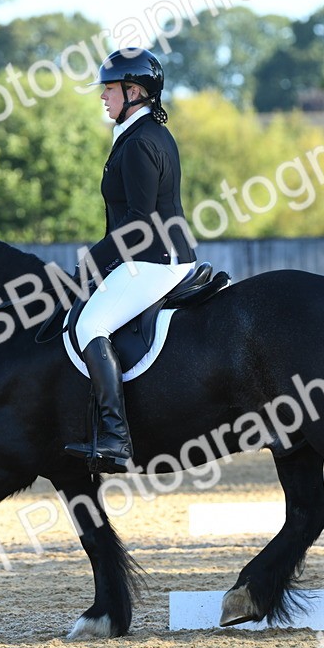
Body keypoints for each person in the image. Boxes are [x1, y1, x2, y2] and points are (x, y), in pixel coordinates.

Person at [63, 48, 197, 474]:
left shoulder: (139, 143)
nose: (103, 96)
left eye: (110, 89)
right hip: (151, 256)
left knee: (90, 325)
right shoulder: (141, 134)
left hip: (155, 260)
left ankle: (115, 435)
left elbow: (139, 224)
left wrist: (89, 263)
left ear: (134, 92)